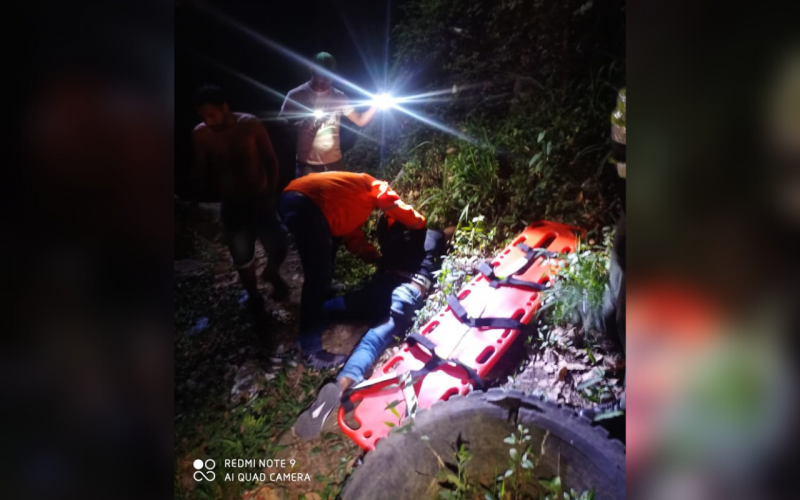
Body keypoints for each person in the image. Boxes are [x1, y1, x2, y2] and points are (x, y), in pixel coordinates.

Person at [294, 216, 452, 439]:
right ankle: (341, 385)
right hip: (406, 293)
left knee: (330, 307)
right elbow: (450, 231)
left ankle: (304, 336)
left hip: (379, 290)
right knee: (371, 343)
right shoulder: (432, 237)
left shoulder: (391, 243)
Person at [279, 171, 426, 369]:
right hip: (306, 203)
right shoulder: (370, 184)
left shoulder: (348, 201)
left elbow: (353, 238)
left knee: (325, 257)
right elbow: (388, 200)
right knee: (317, 275)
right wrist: (418, 223)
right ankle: (308, 346)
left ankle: (321, 300)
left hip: (297, 201)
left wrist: (376, 259)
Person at [191, 84, 290, 321]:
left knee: (278, 245)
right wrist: (197, 199)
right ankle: (254, 295)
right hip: (232, 205)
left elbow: (271, 160)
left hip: (260, 198)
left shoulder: (249, 124)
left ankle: (272, 273)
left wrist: (272, 194)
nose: (208, 120)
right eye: (203, 116)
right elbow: (201, 169)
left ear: (225, 108)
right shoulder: (201, 134)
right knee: (242, 256)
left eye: (211, 114)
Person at [279, 52, 379, 178]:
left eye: (330, 75)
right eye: (322, 74)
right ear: (312, 70)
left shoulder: (339, 97)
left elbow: (360, 120)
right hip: (307, 167)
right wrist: (299, 125)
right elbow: (280, 125)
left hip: (335, 164)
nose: (326, 79)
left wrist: (376, 103)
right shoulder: (296, 95)